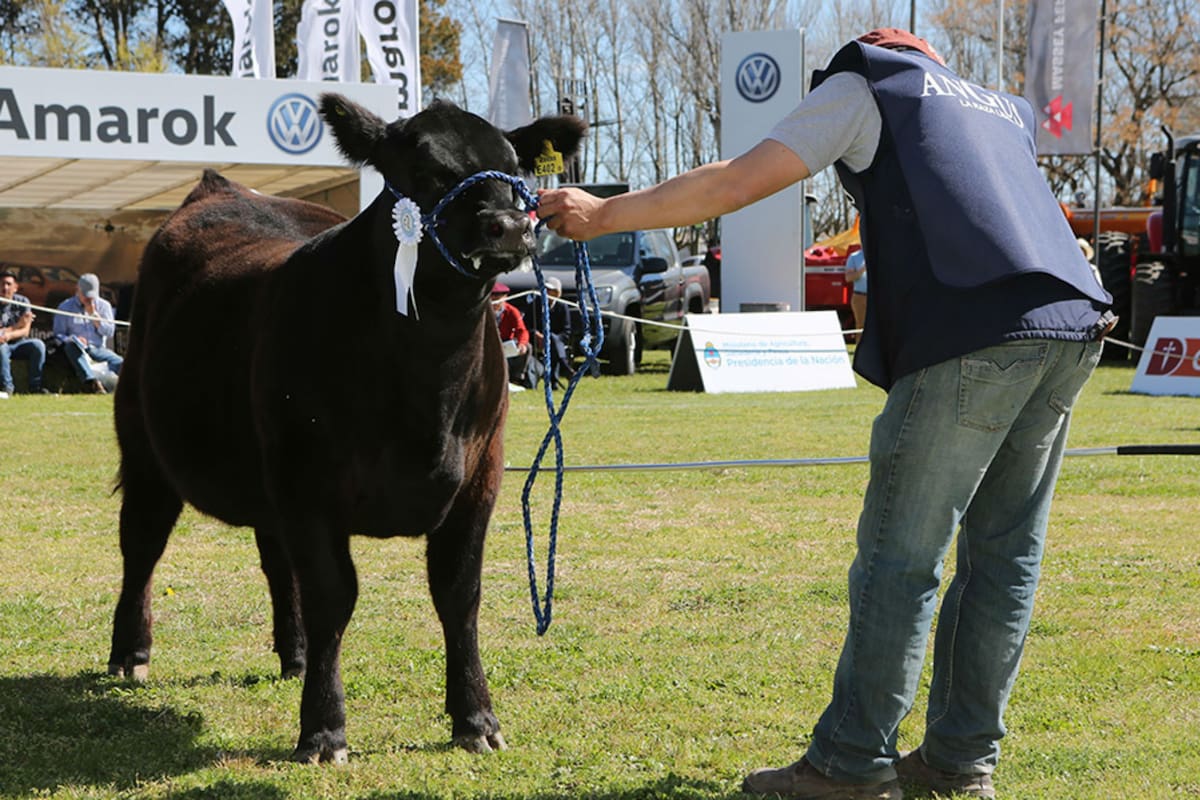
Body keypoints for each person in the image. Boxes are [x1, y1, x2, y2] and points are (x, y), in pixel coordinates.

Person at [538, 28, 1113, 800]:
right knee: (1004, 559)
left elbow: (735, 183)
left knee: (900, 559)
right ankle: (958, 762)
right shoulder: (998, 107)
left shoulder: (869, 84)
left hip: (973, 331)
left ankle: (851, 763)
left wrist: (604, 212)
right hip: (1072, 323)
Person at [53, 272, 123, 394]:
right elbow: (58, 335)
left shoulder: (104, 306)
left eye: (91, 295)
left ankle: (122, 386)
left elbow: (110, 332)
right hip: (77, 348)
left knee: (119, 361)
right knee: (70, 347)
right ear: (77, 289)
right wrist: (73, 339)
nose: (88, 299)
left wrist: (94, 316)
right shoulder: (65, 307)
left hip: (98, 349)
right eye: (85, 295)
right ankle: (92, 383)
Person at [0, 269, 48, 397]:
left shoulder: (23, 301)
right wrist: (17, 325)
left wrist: (8, 334)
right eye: (2, 284)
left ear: (15, 287)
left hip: (19, 344)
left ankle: (35, 387)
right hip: (2, 345)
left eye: (9, 284)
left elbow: (25, 331)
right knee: (1, 348)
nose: (5, 288)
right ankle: (7, 388)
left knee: (38, 345)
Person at [521, 275, 575, 388]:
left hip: (557, 339)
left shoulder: (562, 307)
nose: (547, 292)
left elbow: (566, 330)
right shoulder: (534, 305)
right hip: (536, 339)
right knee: (552, 341)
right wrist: (536, 334)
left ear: (557, 293)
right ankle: (564, 369)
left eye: (550, 290)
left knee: (552, 340)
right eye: (545, 289)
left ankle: (554, 379)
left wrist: (551, 338)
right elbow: (526, 326)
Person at [491, 282, 534, 387]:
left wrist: (522, 343)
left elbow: (522, 330)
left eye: (499, 297)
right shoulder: (484, 311)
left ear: (505, 297)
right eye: (493, 296)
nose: (495, 300)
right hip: (489, 342)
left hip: (506, 343)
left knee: (527, 347)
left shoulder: (512, 311)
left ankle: (516, 378)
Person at [844, 247, 868, 342]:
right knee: (861, 326)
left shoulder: (880, 255)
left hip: (878, 297)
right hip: (860, 296)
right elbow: (848, 278)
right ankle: (860, 348)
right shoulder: (854, 257)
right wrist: (862, 270)